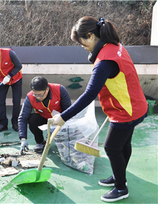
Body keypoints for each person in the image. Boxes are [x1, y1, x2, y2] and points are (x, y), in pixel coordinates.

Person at [52, 17, 148, 202]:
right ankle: (119, 177)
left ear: (90, 36)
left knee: (112, 148)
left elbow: (89, 95)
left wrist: (63, 117)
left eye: (82, 44)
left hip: (125, 110)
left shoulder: (104, 61)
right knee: (123, 145)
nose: (83, 48)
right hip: (135, 105)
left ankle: (121, 188)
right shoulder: (114, 46)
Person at [18, 76, 71, 154]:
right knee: (32, 119)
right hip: (44, 118)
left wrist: (58, 124)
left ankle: (65, 142)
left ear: (47, 89)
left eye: (40, 95)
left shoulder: (60, 90)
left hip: (60, 118)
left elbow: (68, 110)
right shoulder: (30, 97)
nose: (38, 97)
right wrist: (23, 139)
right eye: (35, 94)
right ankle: (40, 142)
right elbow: (22, 118)